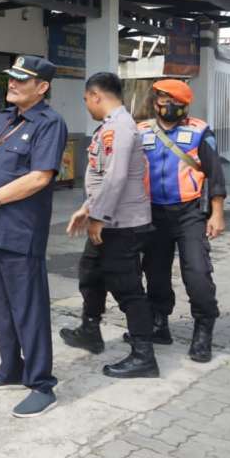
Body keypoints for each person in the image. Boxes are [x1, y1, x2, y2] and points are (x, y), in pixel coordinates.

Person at [0, 55, 66, 418]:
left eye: (22, 80)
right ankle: (10, 368)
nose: (13, 84)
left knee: (29, 310)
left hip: (22, 232)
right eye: (11, 78)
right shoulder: (6, 119)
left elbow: (40, 176)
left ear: (42, 87)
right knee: (3, 309)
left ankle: (41, 384)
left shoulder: (49, 124)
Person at [61, 72, 159, 378]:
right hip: (108, 218)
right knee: (91, 273)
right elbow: (104, 178)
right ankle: (90, 330)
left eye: (86, 100)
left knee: (126, 287)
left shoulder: (120, 128)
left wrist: (98, 218)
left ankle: (144, 355)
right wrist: (87, 209)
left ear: (95, 96)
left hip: (121, 224)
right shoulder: (110, 127)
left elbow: (117, 179)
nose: (87, 106)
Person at [136, 79, 226, 362]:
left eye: (173, 101)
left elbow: (215, 173)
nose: (167, 105)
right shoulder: (141, 131)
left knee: (197, 272)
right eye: (162, 99)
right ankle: (159, 322)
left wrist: (217, 213)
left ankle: (203, 328)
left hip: (189, 214)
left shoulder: (200, 130)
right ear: (155, 102)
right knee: (155, 271)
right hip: (153, 214)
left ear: (184, 105)